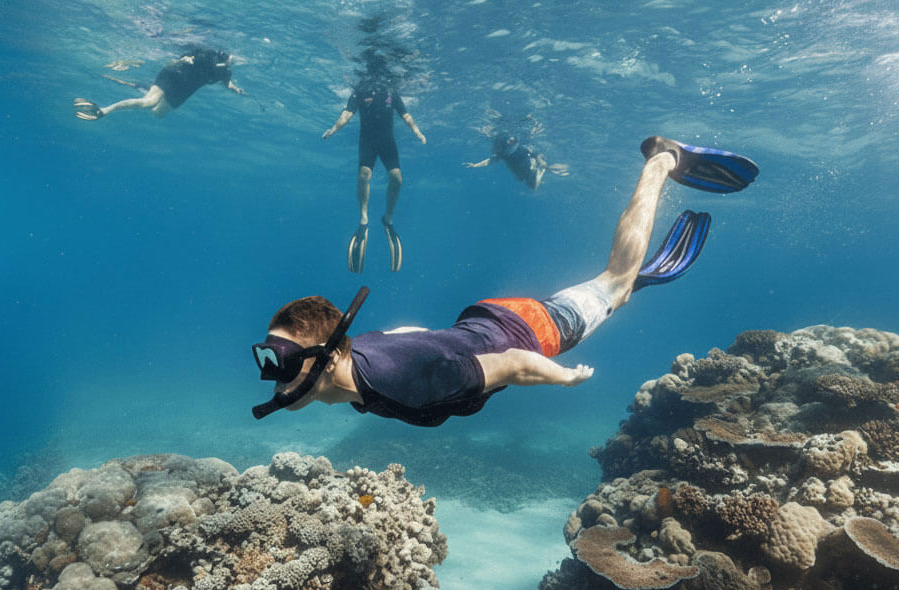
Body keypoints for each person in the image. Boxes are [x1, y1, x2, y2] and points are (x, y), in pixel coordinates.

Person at [249, 135, 759, 424]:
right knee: (602, 293)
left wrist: (565, 376)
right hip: (484, 320)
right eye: (271, 359)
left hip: (529, 332)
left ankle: (661, 160)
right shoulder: (351, 365)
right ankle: (616, 290)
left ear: (333, 352)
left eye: (286, 360)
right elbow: (401, 334)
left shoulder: (407, 380)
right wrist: (439, 341)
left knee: (617, 281)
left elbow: (514, 364)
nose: (277, 374)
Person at [322, 78, 426, 273]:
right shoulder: (360, 90)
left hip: (387, 142)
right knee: (363, 175)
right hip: (367, 141)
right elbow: (347, 113)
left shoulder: (391, 91)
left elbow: (405, 115)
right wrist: (334, 129)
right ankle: (363, 219)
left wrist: (418, 132)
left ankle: (388, 219)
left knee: (397, 178)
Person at [73, 46, 244, 120]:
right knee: (149, 103)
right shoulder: (207, 54)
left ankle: (147, 89)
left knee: (158, 114)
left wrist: (234, 88)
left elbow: (227, 82)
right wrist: (185, 59)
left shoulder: (225, 71)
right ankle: (104, 110)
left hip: (183, 91)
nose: (227, 62)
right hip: (174, 76)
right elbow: (185, 56)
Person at [465, 132, 570, 190]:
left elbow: (536, 154)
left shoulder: (519, 148)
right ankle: (541, 169)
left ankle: (541, 169)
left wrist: (542, 164)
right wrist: (475, 165)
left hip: (527, 163)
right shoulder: (504, 154)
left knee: (531, 183)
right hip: (522, 168)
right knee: (528, 183)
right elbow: (491, 160)